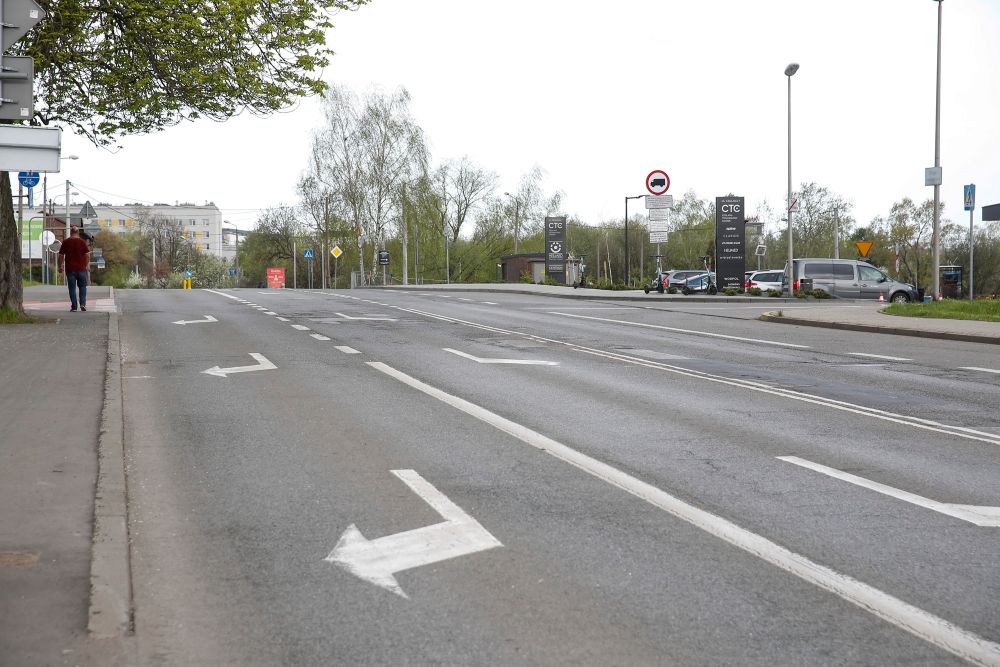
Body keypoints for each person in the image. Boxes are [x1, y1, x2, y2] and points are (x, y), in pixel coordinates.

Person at [57, 225, 91, 312]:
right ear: (78, 233)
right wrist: (86, 265)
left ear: (71, 232)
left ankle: (74, 307)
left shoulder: (66, 242)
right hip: (82, 269)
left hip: (70, 269)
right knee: (83, 287)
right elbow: (87, 255)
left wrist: (59, 266)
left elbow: (61, 256)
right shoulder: (82, 242)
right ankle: (83, 304)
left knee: (72, 288)